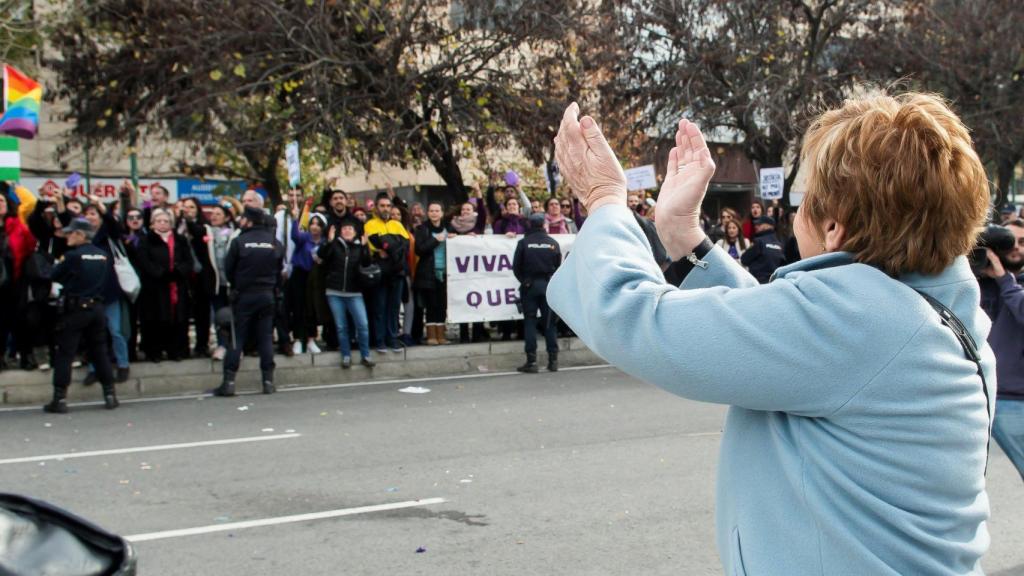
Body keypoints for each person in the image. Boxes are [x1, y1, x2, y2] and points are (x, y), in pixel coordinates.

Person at [549, 94, 994, 575]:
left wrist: (603, 203)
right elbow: (788, 343)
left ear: (833, 229)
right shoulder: (920, 311)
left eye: (804, 204)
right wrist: (684, 236)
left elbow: (631, 316)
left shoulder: (859, 321)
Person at [44, 218, 119, 413]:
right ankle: (110, 394)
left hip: (76, 309)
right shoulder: (103, 255)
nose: (67, 236)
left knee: (65, 353)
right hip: (97, 308)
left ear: (81, 235)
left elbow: (53, 275)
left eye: (71, 233)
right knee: (99, 351)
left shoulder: (73, 256)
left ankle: (59, 399)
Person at [214, 206, 284, 396]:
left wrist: (238, 285)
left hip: (244, 295)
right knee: (266, 338)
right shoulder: (274, 242)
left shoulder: (239, 241)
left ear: (249, 221)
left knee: (238, 338)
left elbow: (228, 269)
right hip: (267, 294)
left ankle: (229, 382)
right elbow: (279, 270)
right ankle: (268, 382)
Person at [979, 218, 1024, 481]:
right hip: (977, 396)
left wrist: (1005, 282)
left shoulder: (1010, 284)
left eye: (1021, 242)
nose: (1015, 248)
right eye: (1009, 243)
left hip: (1014, 400)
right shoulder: (979, 282)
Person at [135, 208, 191, 362]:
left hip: (176, 285)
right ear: (152, 224)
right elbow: (144, 261)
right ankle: (155, 352)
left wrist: (178, 272)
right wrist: (161, 273)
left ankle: (175, 351)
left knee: (177, 319)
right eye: (158, 221)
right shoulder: (146, 240)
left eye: (166, 221)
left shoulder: (180, 240)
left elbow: (188, 260)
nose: (162, 224)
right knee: (155, 319)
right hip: (155, 287)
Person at [319, 222, 374, 368]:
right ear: (340, 232)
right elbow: (322, 255)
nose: (348, 230)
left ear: (355, 232)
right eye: (344, 228)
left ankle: (366, 355)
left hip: (355, 292)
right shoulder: (334, 245)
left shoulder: (359, 246)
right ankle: (346, 356)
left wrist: (365, 246)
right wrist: (329, 242)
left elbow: (367, 263)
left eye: (351, 228)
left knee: (363, 324)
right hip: (334, 292)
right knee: (341, 326)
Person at [512, 213, 561, 373]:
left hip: (529, 287)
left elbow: (516, 267)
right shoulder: (553, 243)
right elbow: (558, 265)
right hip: (548, 286)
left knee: (530, 322)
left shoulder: (524, 243)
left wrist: (525, 280)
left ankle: (531, 362)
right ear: (543, 225)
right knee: (549, 324)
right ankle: (553, 361)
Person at [365, 192, 410, 354]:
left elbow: (405, 244)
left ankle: (392, 338)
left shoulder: (397, 225)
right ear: (376, 207)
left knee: (394, 308)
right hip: (381, 272)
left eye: (388, 206)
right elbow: (375, 243)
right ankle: (380, 340)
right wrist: (392, 247)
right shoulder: (370, 224)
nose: (385, 209)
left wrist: (389, 247)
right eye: (382, 205)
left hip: (397, 272)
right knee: (379, 307)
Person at [414, 202, 456, 345]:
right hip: (428, 273)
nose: (434, 213)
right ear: (427, 213)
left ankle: (441, 336)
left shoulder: (448, 228)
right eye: (431, 210)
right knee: (431, 305)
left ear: (442, 213)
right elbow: (419, 250)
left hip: (445, 273)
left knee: (442, 305)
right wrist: (435, 240)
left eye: (437, 210)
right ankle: (431, 336)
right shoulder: (422, 229)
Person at [740, 215, 786, 283]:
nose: (756, 226)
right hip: (774, 282)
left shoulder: (759, 241)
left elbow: (744, 259)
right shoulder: (779, 244)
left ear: (768, 226)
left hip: (758, 283)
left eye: (759, 224)